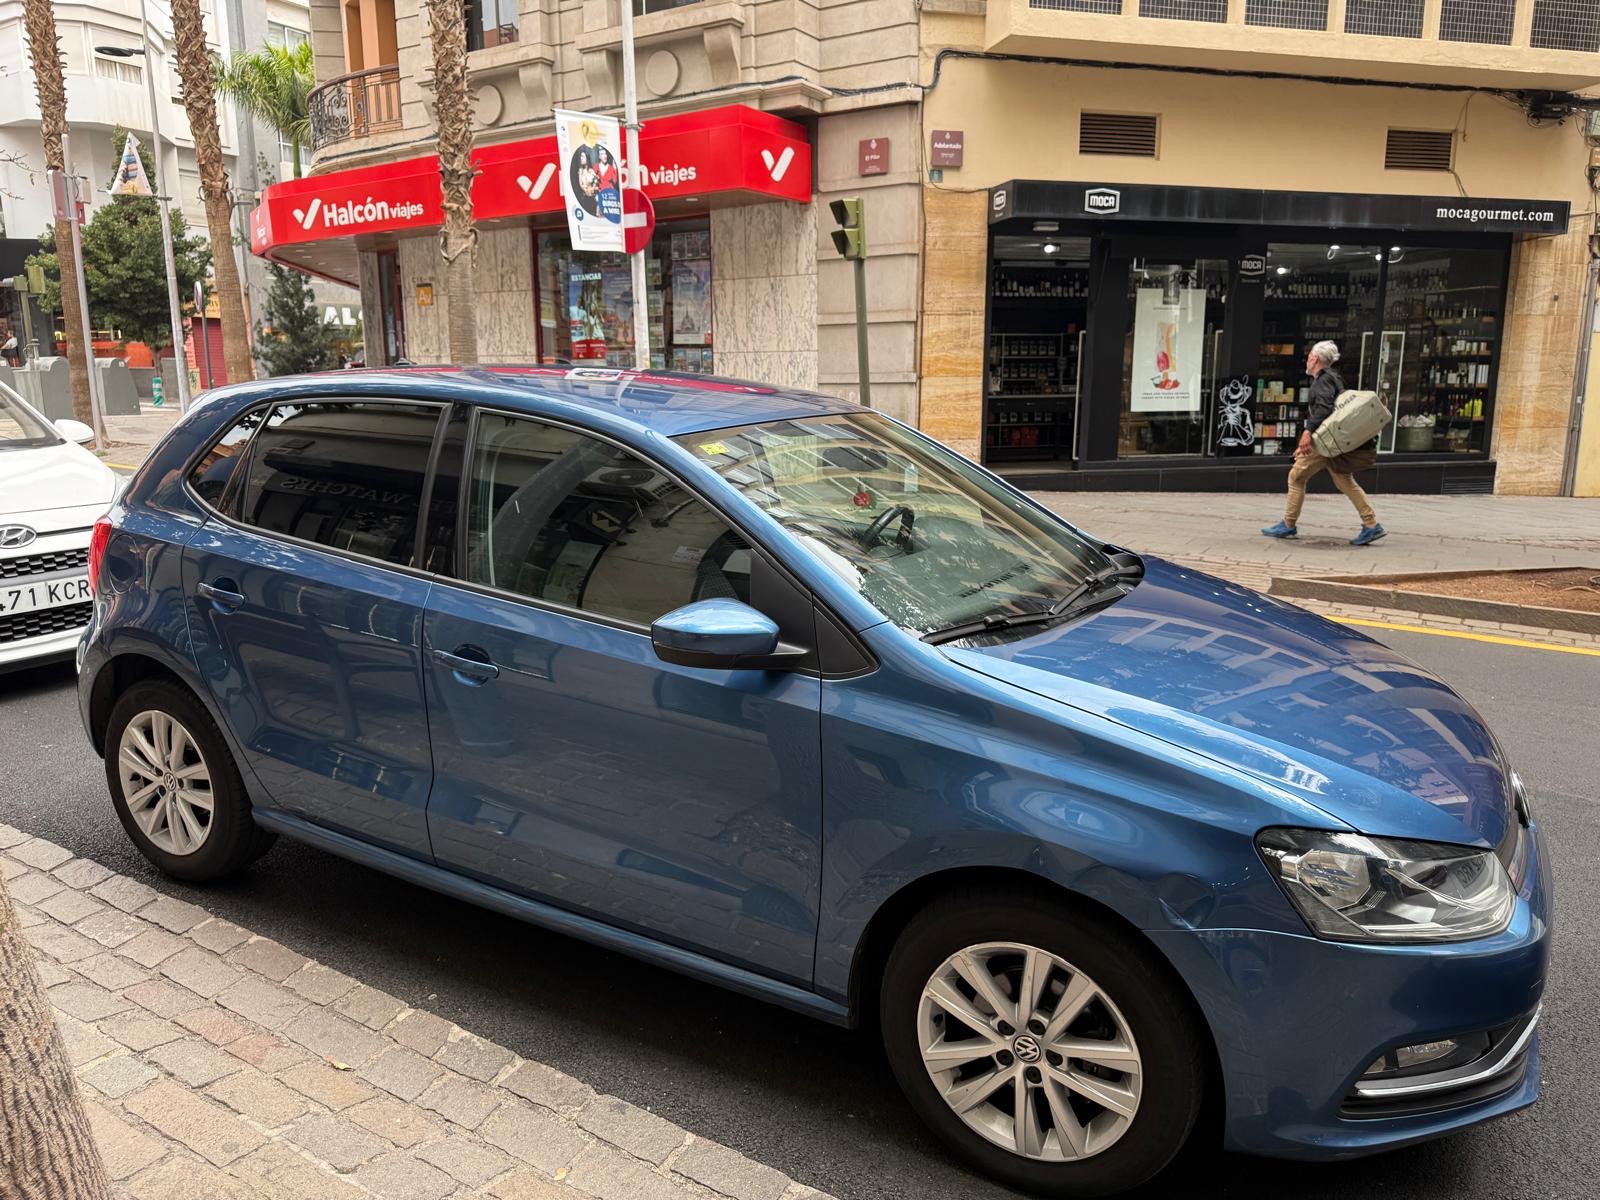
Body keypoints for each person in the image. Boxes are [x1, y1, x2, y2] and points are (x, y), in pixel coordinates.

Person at [1261, 340, 1385, 545]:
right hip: (1334, 441)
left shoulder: (1323, 381)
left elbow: (1323, 408)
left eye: (1310, 356)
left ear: (1315, 359)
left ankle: (1288, 524)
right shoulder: (1334, 378)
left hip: (1323, 442)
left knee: (1296, 477)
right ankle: (1371, 524)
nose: (1308, 360)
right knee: (1344, 480)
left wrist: (1308, 432)